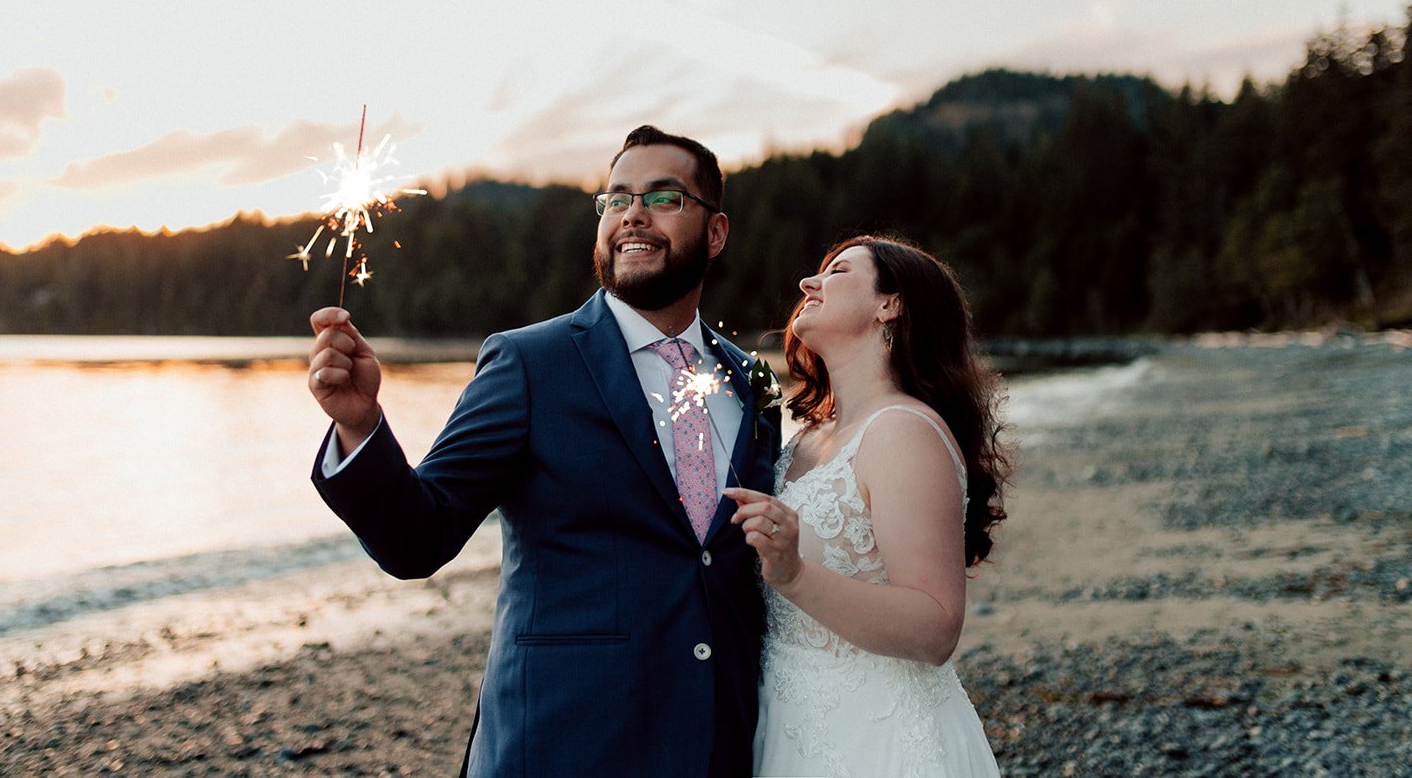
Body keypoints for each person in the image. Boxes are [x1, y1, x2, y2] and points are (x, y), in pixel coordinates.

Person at [306, 125, 783, 777]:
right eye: (616, 199)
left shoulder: (751, 383)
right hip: (561, 745)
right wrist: (361, 426)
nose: (633, 212)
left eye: (664, 196)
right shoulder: (530, 363)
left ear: (717, 231)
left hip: (716, 748)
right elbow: (418, 535)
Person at [726, 235, 1010, 777]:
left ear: (890, 303)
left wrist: (794, 576)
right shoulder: (805, 440)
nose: (809, 283)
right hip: (788, 727)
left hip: (880, 740)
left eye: (836, 271)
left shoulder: (903, 431)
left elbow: (936, 629)